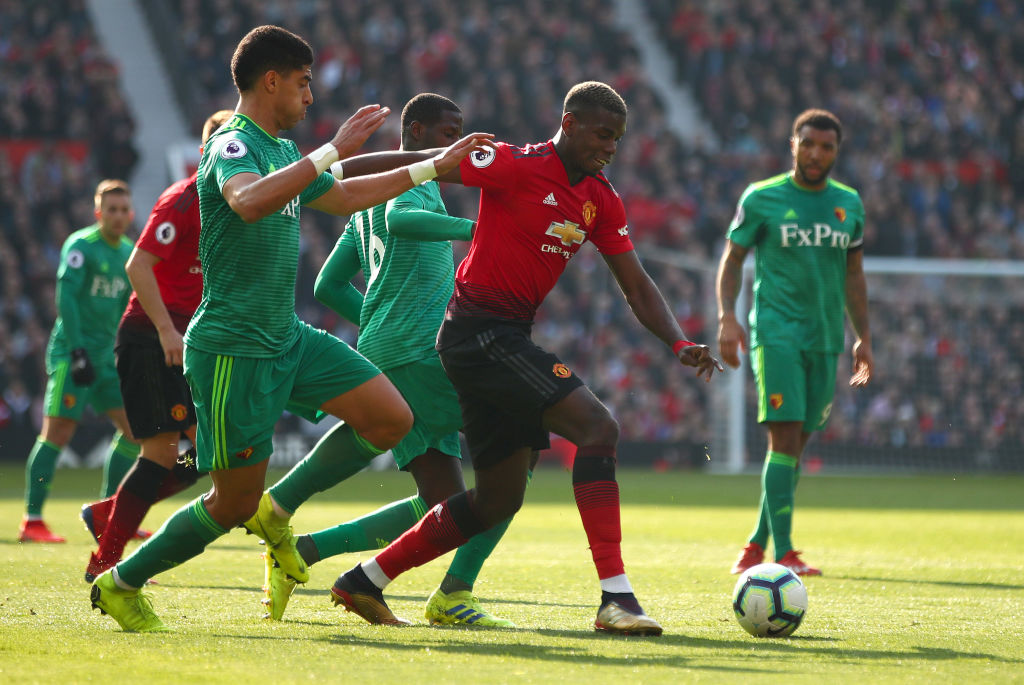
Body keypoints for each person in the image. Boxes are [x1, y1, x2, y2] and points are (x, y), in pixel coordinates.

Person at [88, 24, 493, 633]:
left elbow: (348, 196)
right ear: (270, 81)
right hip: (232, 351)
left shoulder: (281, 149)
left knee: (392, 418)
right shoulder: (231, 144)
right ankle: (121, 582)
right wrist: (330, 149)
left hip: (288, 336)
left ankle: (280, 510)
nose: (309, 97)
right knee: (231, 504)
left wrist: (433, 166)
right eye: (303, 84)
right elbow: (248, 202)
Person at [329, 81, 723, 636]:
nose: (610, 147)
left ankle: (365, 580)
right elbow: (425, 160)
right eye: (602, 134)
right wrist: (330, 165)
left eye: (618, 139)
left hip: (502, 335)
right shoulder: (513, 163)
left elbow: (635, 283)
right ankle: (616, 599)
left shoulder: (602, 199)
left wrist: (679, 342)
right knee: (597, 427)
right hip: (477, 332)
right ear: (569, 121)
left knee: (496, 498)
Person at [259, 93, 516, 626]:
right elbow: (402, 220)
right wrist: (477, 232)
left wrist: (375, 317)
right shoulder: (414, 185)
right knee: (519, 440)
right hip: (420, 352)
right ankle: (454, 594)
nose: (458, 144)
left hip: (388, 346)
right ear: (416, 133)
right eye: (448, 133)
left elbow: (328, 284)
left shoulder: (368, 198)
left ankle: (304, 552)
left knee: (443, 502)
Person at [716, 109, 873, 577]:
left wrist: (864, 336)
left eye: (826, 147)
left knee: (793, 449)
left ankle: (753, 547)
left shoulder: (849, 204)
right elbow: (732, 259)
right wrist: (727, 316)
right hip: (776, 333)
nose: (816, 154)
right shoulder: (762, 198)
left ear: (836, 153)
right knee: (783, 437)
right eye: (808, 144)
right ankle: (784, 554)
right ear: (793, 145)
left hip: (826, 339)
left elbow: (854, 274)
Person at [80, 109, 235, 582]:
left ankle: (110, 511)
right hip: (151, 337)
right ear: (213, 150)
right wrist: (168, 330)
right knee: (163, 452)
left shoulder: (232, 206)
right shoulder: (183, 198)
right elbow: (137, 266)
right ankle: (104, 561)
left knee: (197, 458)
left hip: (187, 342)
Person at [19, 179, 140, 543]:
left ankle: (109, 515)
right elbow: (66, 299)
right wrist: (76, 351)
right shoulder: (81, 246)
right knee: (57, 433)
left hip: (105, 359)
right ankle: (33, 520)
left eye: (123, 210)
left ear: (130, 214)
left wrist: (123, 350)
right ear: (98, 212)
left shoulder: (128, 254)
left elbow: (124, 309)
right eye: (111, 210)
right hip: (73, 355)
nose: (118, 217)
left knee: (134, 431)